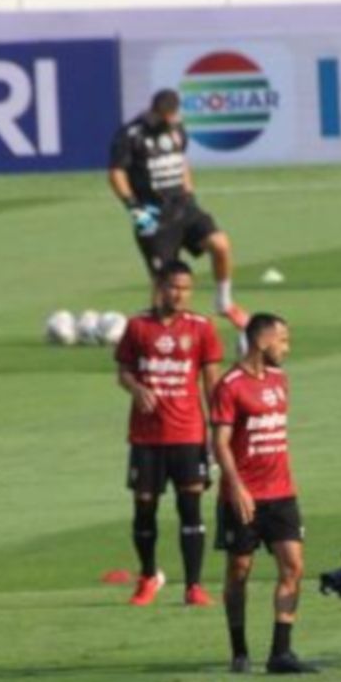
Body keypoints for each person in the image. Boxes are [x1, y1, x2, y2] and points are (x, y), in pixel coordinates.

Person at [114, 260, 226, 607]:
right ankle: (148, 577)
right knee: (144, 508)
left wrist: (218, 430)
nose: (179, 294)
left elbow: (212, 384)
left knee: (190, 508)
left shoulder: (201, 328)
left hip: (188, 434)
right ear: (160, 287)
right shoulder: (137, 326)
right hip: (146, 437)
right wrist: (135, 389)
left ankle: (194, 586)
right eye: (173, 287)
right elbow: (123, 372)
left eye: (185, 288)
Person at [211, 313, 317, 674]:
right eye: (282, 340)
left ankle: (281, 653)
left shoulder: (280, 381)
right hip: (243, 496)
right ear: (261, 341)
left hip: (282, 492)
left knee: (294, 566)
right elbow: (220, 442)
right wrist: (237, 487)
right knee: (239, 569)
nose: (287, 347)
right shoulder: (230, 385)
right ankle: (239, 651)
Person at [109, 89, 250, 329]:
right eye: (169, 117)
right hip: (153, 215)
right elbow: (116, 173)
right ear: (158, 113)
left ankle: (224, 302)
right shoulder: (130, 135)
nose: (174, 121)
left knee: (221, 245)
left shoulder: (177, 129)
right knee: (163, 282)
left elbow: (181, 160)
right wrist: (134, 207)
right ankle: (153, 336)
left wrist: (190, 194)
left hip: (183, 207)